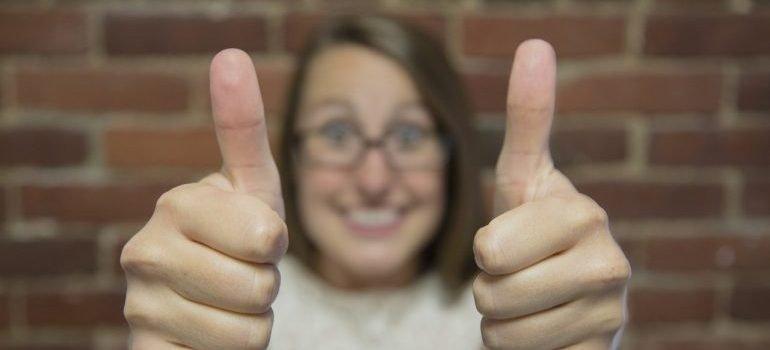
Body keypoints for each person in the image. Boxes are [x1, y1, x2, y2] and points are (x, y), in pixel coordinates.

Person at [120, 16, 631, 349]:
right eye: (337, 132)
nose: (373, 179)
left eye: (409, 134)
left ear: (451, 153)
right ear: (292, 154)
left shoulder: (543, 311)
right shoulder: (215, 315)